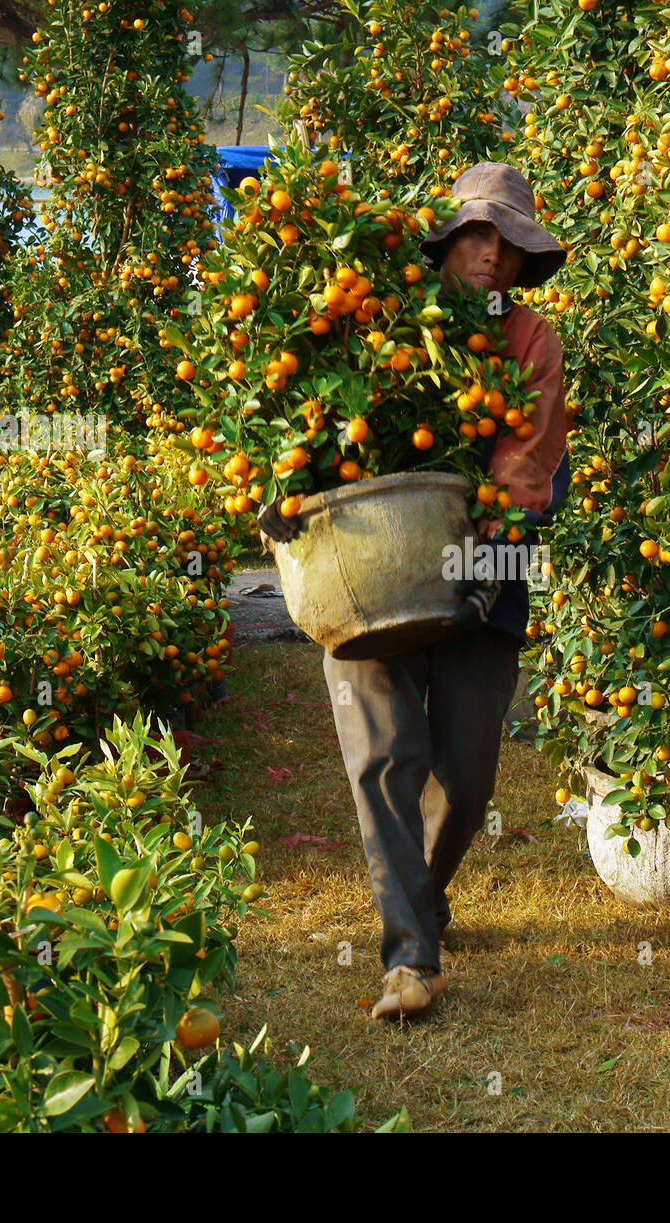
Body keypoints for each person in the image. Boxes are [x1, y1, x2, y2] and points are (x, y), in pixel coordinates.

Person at [258, 162, 568, 1021]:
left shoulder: (531, 340)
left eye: (509, 244)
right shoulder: (371, 317)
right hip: (360, 563)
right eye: (477, 233)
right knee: (387, 756)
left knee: (465, 774)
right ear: (445, 241)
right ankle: (410, 956)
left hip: (484, 566)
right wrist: (280, 487)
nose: (491, 255)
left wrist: (502, 521)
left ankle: (425, 899)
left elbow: (529, 454)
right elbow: (301, 415)